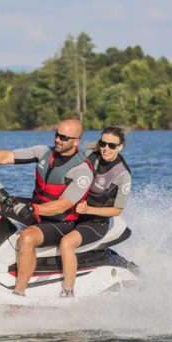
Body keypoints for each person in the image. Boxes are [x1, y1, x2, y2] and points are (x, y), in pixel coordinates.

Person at [0, 119, 93, 296]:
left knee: (27, 238)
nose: (58, 140)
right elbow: (8, 156)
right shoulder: (44, 152)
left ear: (76, 141)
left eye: (64, 137)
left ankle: (19, 293)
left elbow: (63, 205)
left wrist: (32, 210)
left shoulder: (82, 170)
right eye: (57, 135)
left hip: (61, 222)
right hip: (35, 208)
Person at [57, 126, 131, 297]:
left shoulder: (122, 175)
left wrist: (89, 209)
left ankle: (67, 292)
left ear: (120, 147)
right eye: (103, 143)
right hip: (74, 214)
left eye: (112, 145)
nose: (106, 148)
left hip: (96, 223)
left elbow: (117, 210)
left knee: (67, 243)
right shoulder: (91, 157)